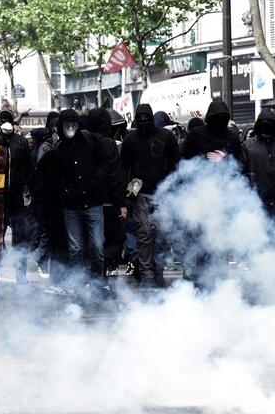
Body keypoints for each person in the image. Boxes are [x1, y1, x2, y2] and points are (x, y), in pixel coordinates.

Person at [52, 109, 126, 300]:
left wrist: (97, 180)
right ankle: (78, 282)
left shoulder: (90, 141)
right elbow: (53, 175)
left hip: (93, 201)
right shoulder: (59, 149)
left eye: (73, 125)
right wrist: (65, 190)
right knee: (76, 247)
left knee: (97, 246)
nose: (70, 129)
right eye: (66, 125)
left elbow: (106, 163)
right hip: (72, 205)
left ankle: (97, 283)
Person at [121, 104, 180, 289]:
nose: (144, 122)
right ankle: (147, 274)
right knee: (145, 235)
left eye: (146, 118)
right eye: (141, 119)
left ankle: (158, 270)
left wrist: (173, 188)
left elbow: (176, 163)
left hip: (163, 192)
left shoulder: (166, 136)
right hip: (142, 194)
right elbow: (124, 169)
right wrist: (128, 195)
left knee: (162, 236)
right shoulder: (131, 140)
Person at [86, 108, 128, 278]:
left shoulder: (83, 141)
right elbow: (115, 176)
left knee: (93, 241)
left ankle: (93, 275)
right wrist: (121, 203)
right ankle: (100, 273)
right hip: (108, 201)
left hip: (86, 201)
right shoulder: (109, 144)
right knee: (116, 240)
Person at [0, 110, 33, 285]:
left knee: (20, 238)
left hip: (16, 197)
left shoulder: (20, 143)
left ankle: (22, 276)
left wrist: (29, 191)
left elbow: (29, 169)